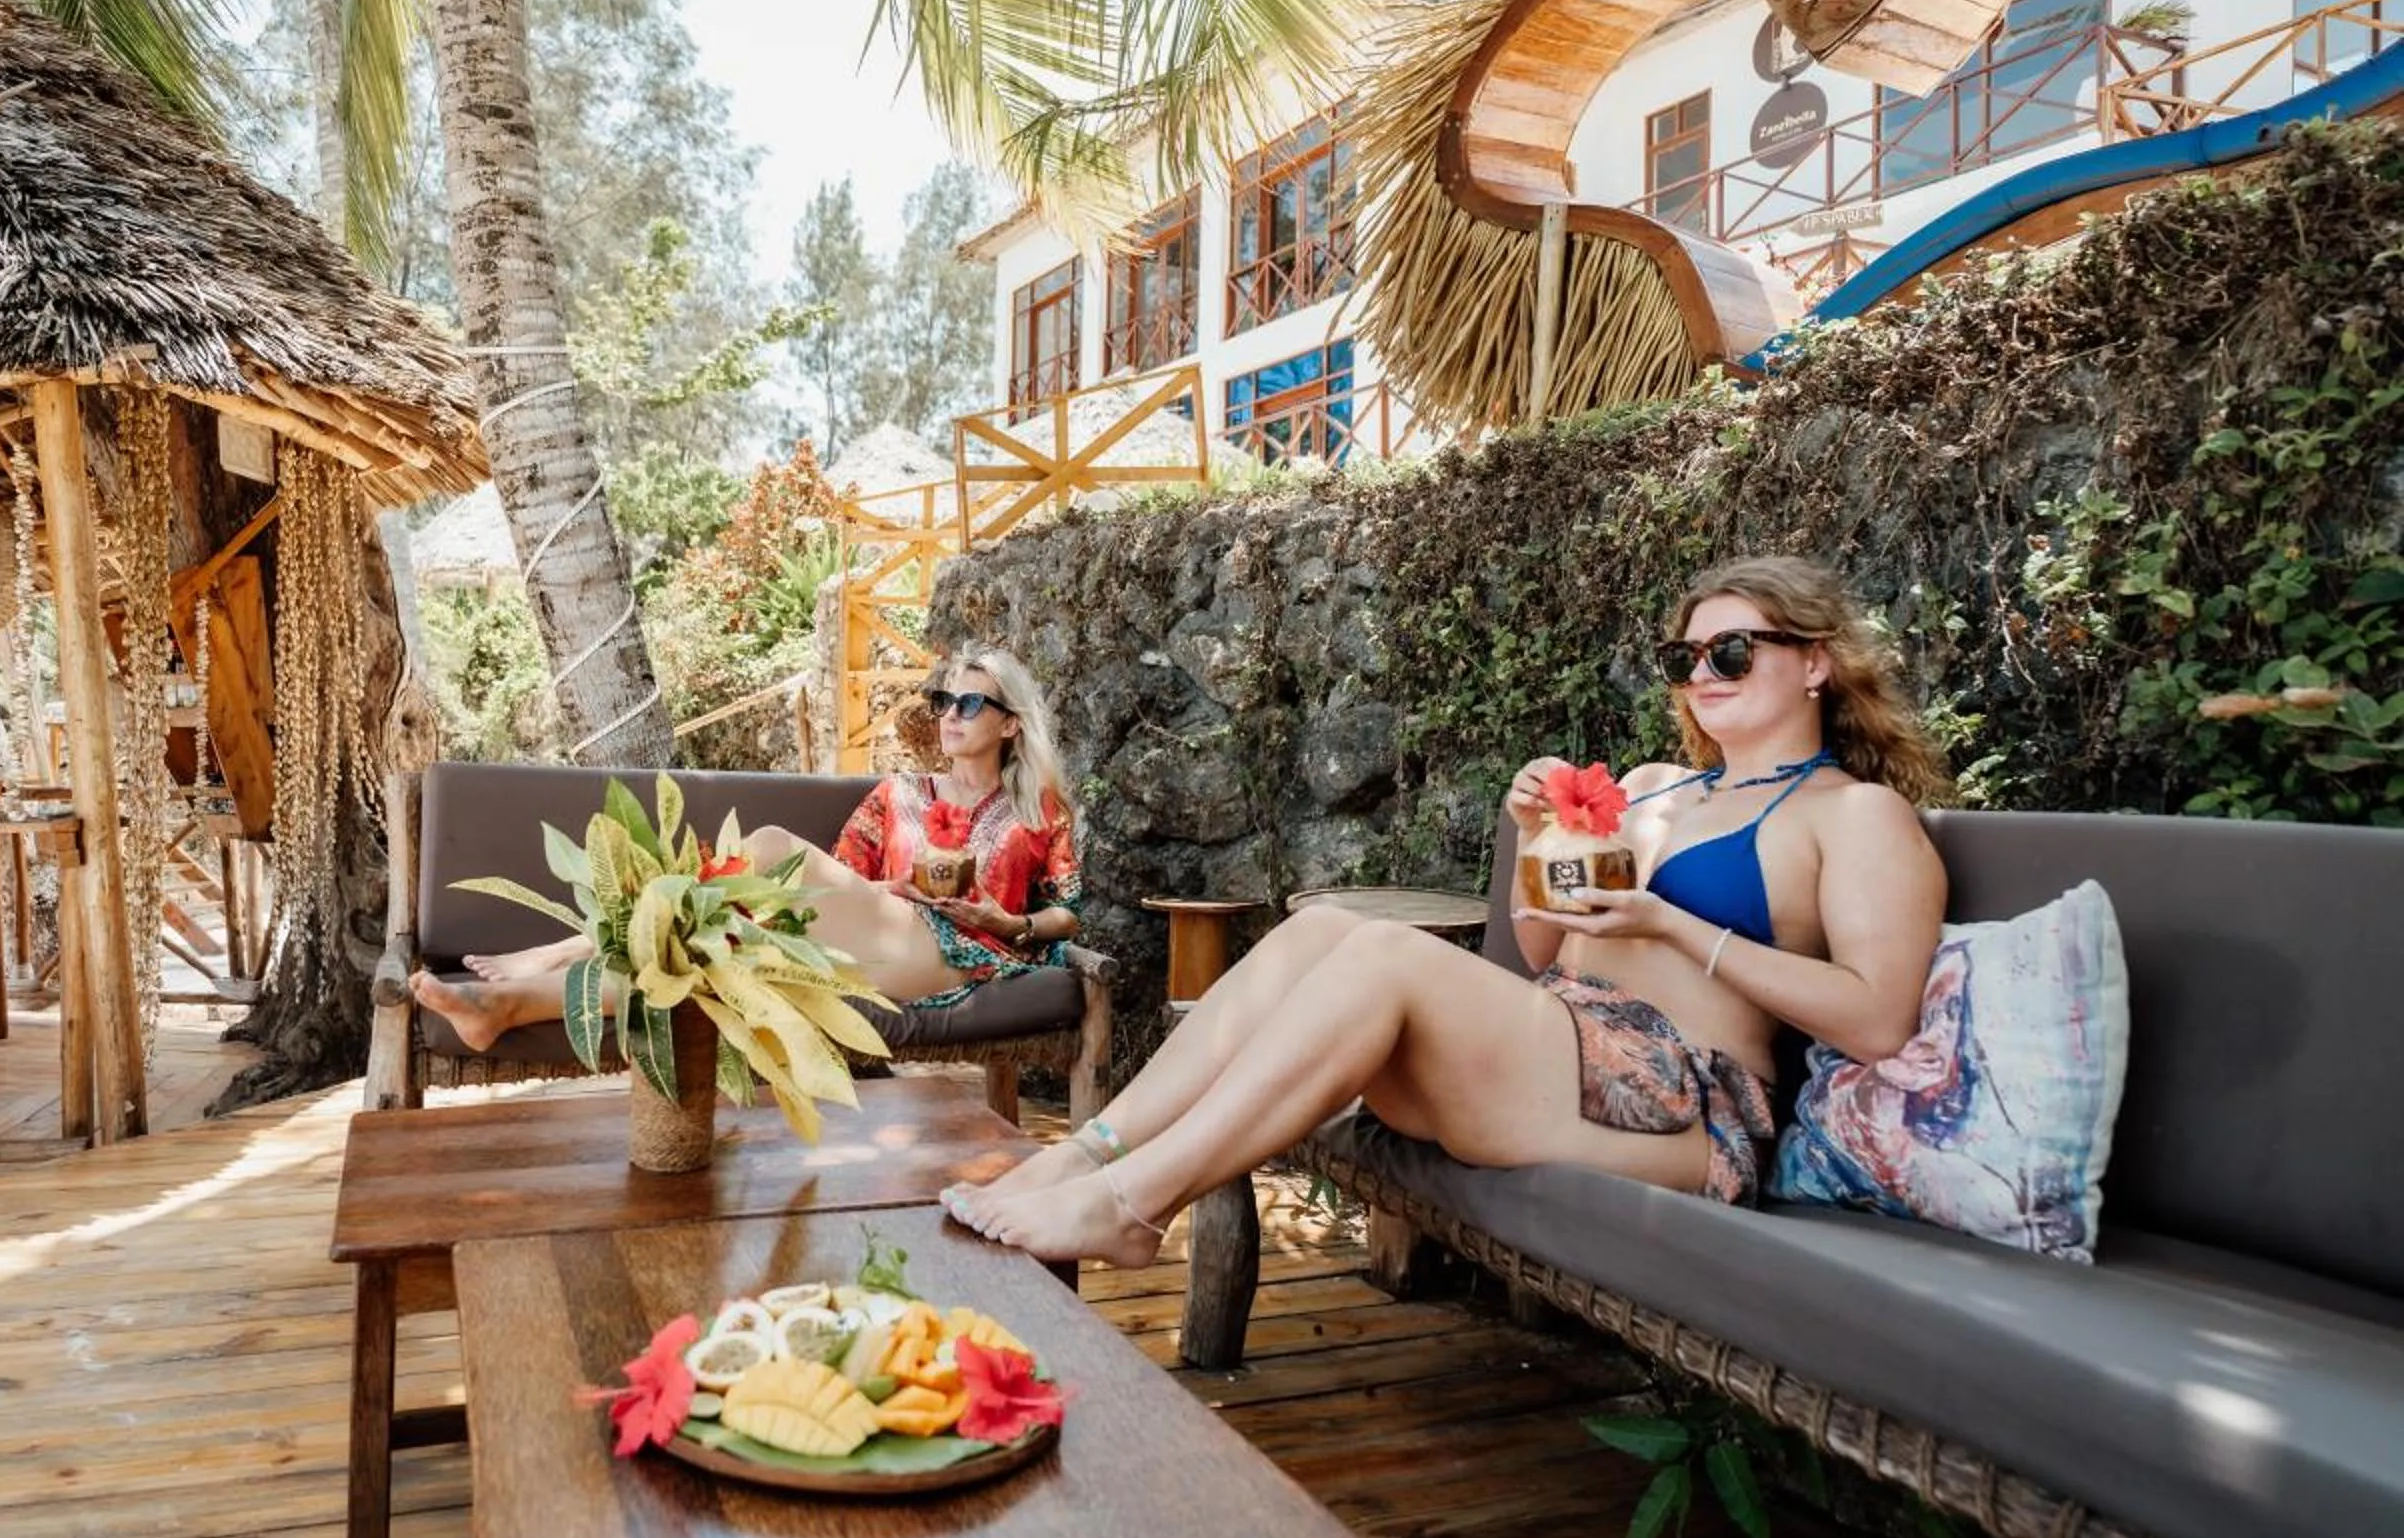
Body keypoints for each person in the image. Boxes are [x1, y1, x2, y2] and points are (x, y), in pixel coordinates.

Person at [949, 555, 1953, 1267]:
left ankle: (1132, 1204)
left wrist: (1671, 923)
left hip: (1686, 1102)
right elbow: (1543, 947)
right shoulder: (1651, 784)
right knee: (1324, 929)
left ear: (1816, 660)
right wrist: (1542, 843)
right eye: (1683, 659)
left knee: (1382, 952)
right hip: (1556, 1052)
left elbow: (1876, 1018)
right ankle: (1088, 1153)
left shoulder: (1854, 815)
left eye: (1731, 652)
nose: (1701, 676)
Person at [409, 647, 1084, 1049]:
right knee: (712, 962)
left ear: (1011, 725)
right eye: (944, 701)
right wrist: (894, 889)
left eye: (969, 704)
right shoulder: (896, 794)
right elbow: (839, 889)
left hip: (964, 958)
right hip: (873, 942)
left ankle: (569, 944)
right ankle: (511, 1004)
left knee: (764, 848)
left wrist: (1013, 922)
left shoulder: (1038, 809)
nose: (949, 716)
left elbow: (1069, 912)